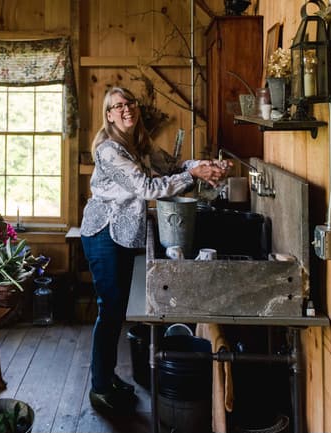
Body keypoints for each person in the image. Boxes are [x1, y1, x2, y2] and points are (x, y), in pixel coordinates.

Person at [80, 86, 230, 411]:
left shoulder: (141, 146)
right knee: (109, 310)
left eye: (129, 103)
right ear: (109, 115)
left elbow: (175, 166)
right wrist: (193, 173)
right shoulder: (109, 150)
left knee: (116, 310)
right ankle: (99, 386)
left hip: (124, 234)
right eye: (117, 106)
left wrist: (204, 166)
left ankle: (105, 376)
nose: (125, 109)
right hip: (103, 233)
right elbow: (147, 188)